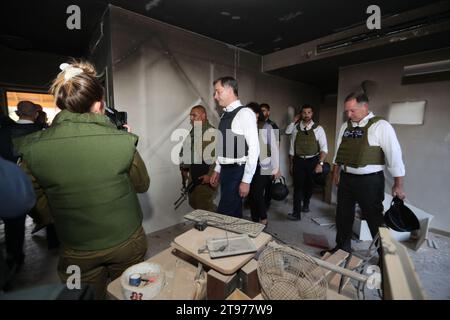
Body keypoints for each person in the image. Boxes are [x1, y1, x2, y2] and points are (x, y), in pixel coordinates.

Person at [15, 60, 150, 299]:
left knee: (84, 295)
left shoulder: (33, 149)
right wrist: (126, 142)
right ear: (98, 104)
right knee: (130, 292)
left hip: (76, 248)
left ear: (61, 104)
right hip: (126, 241)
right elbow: (142, 184)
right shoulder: (121, 141)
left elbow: (35, 203)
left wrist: (61, 215)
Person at [323, 92, 406, 255]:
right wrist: (335, 173)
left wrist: (398, 184)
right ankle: (342, 248)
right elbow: (339, 152)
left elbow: (394, 155)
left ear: (365, 107)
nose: (348, 114)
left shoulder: (381, 126)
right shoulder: (345, 126)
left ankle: (385, 257)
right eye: (347, 111)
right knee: (343, 215)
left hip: (370, 181)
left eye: (352, 110)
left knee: (374, 218)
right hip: (347, 179)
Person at [209, 76, 259, 218]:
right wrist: (217, 169)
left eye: (218, 92)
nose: (215, 96)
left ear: (229, 90)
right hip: (226, 171)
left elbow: (254, 149)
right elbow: (223, 146)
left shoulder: (245, 113)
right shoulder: (225, 114)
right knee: (234, 214)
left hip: (237, 172)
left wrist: (246, 181)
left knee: (224, 215)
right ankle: (237, 239)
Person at [285, 104, 328, 220]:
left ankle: (306, 203)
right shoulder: (295, 127)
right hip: (298, 160)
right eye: (304, 113)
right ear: (301, 114)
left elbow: (324, 148)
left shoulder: (318, 128)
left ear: (312, 114)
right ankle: (296, 213)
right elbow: (290, 144)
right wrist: (291, 163)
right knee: (297, 187)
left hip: (313, 160)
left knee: (309, 185)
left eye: (309, 112)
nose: (306, 115)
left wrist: (320, 163)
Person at [0, 155, 36, 289]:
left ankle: (12, 258)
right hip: (19, 205)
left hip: (13, 205)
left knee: (13, 226)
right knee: (15, 226)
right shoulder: (12, 167)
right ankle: (16, 255)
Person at [247, 102, 280, 225]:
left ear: (256, 114)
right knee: (251, 194)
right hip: (250, 165)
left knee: (257, 192)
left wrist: (276, 168)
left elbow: (274, 149)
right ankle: (255, 220)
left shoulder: (267, 127)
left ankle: (263, 218)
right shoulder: (246, 128)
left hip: (264, 164)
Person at [179, 105, 217, 212]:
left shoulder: (211, 132)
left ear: (203, 116)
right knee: (195, 203)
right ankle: (201, 226)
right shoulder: (195, 131)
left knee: (204, 207)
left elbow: (217, 158)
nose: (191, 118)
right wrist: (184, 168)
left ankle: (212, 227)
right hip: (194, 173)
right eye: (190, 116)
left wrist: (209, 176)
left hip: (204, 176)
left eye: (194, 115)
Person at [260, 103, 280, 209]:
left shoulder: (273, 125)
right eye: (260, 110)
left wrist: (275, 165)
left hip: (267, 157)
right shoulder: (257, 124)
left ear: (268, 112)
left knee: (267, 184)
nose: (262, 112)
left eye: (264, 110)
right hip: (259, 157)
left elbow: (276, 146)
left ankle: (267, 203)